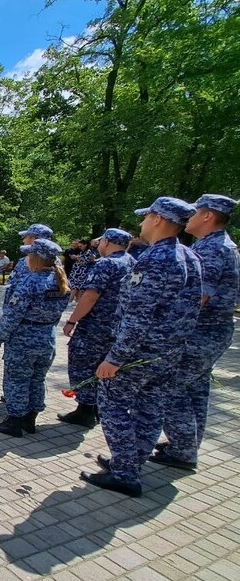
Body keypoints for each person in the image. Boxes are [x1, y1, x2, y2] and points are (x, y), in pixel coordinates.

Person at [81, 197, 202, 497]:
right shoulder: (190, 256)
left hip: (138, 354)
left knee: (113, 405)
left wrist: (114, 359)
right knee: (150, 408)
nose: (142, 223)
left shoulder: (154, 260)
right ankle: (130, 462)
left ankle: (124, 473)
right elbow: (192, 310)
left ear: (159, 219)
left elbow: (137, 317)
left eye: (146, 217)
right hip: (167, 353)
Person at [155, 194, 239, 470]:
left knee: (170, 388)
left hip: (199, 333)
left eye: (194, 211)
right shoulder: (219, 245)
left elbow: (198, 298)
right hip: (212, 332)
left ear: (207, 216)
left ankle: (182, 450)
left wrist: (167, 331)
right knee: (195, 390)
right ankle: (186, 443)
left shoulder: (212, 249)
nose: (187, 217)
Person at [0, 239, 70, 437]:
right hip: (47, 337)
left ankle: (14, 421)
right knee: (37, 379)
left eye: (29, 255)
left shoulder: (31, 281)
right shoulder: (60, 280)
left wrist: (0, 335)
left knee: (17, 379)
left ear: (36, 259)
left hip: (23, 338)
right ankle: (30, 419)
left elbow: (14, 314)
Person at [59, 229, 136, 428]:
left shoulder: (105, 264)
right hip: (119, 326)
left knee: (83, 364)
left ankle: (85, 410)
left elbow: (90, 296)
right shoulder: (132, 262)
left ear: (107, 242)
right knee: (103, 367)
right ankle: (98, 409)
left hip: (95, 326)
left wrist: (72, 321)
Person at [5, 224, 54, 296]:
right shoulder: (55, 261)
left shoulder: (27, 262)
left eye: (26, 237)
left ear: (34, 240)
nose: (23, 240)